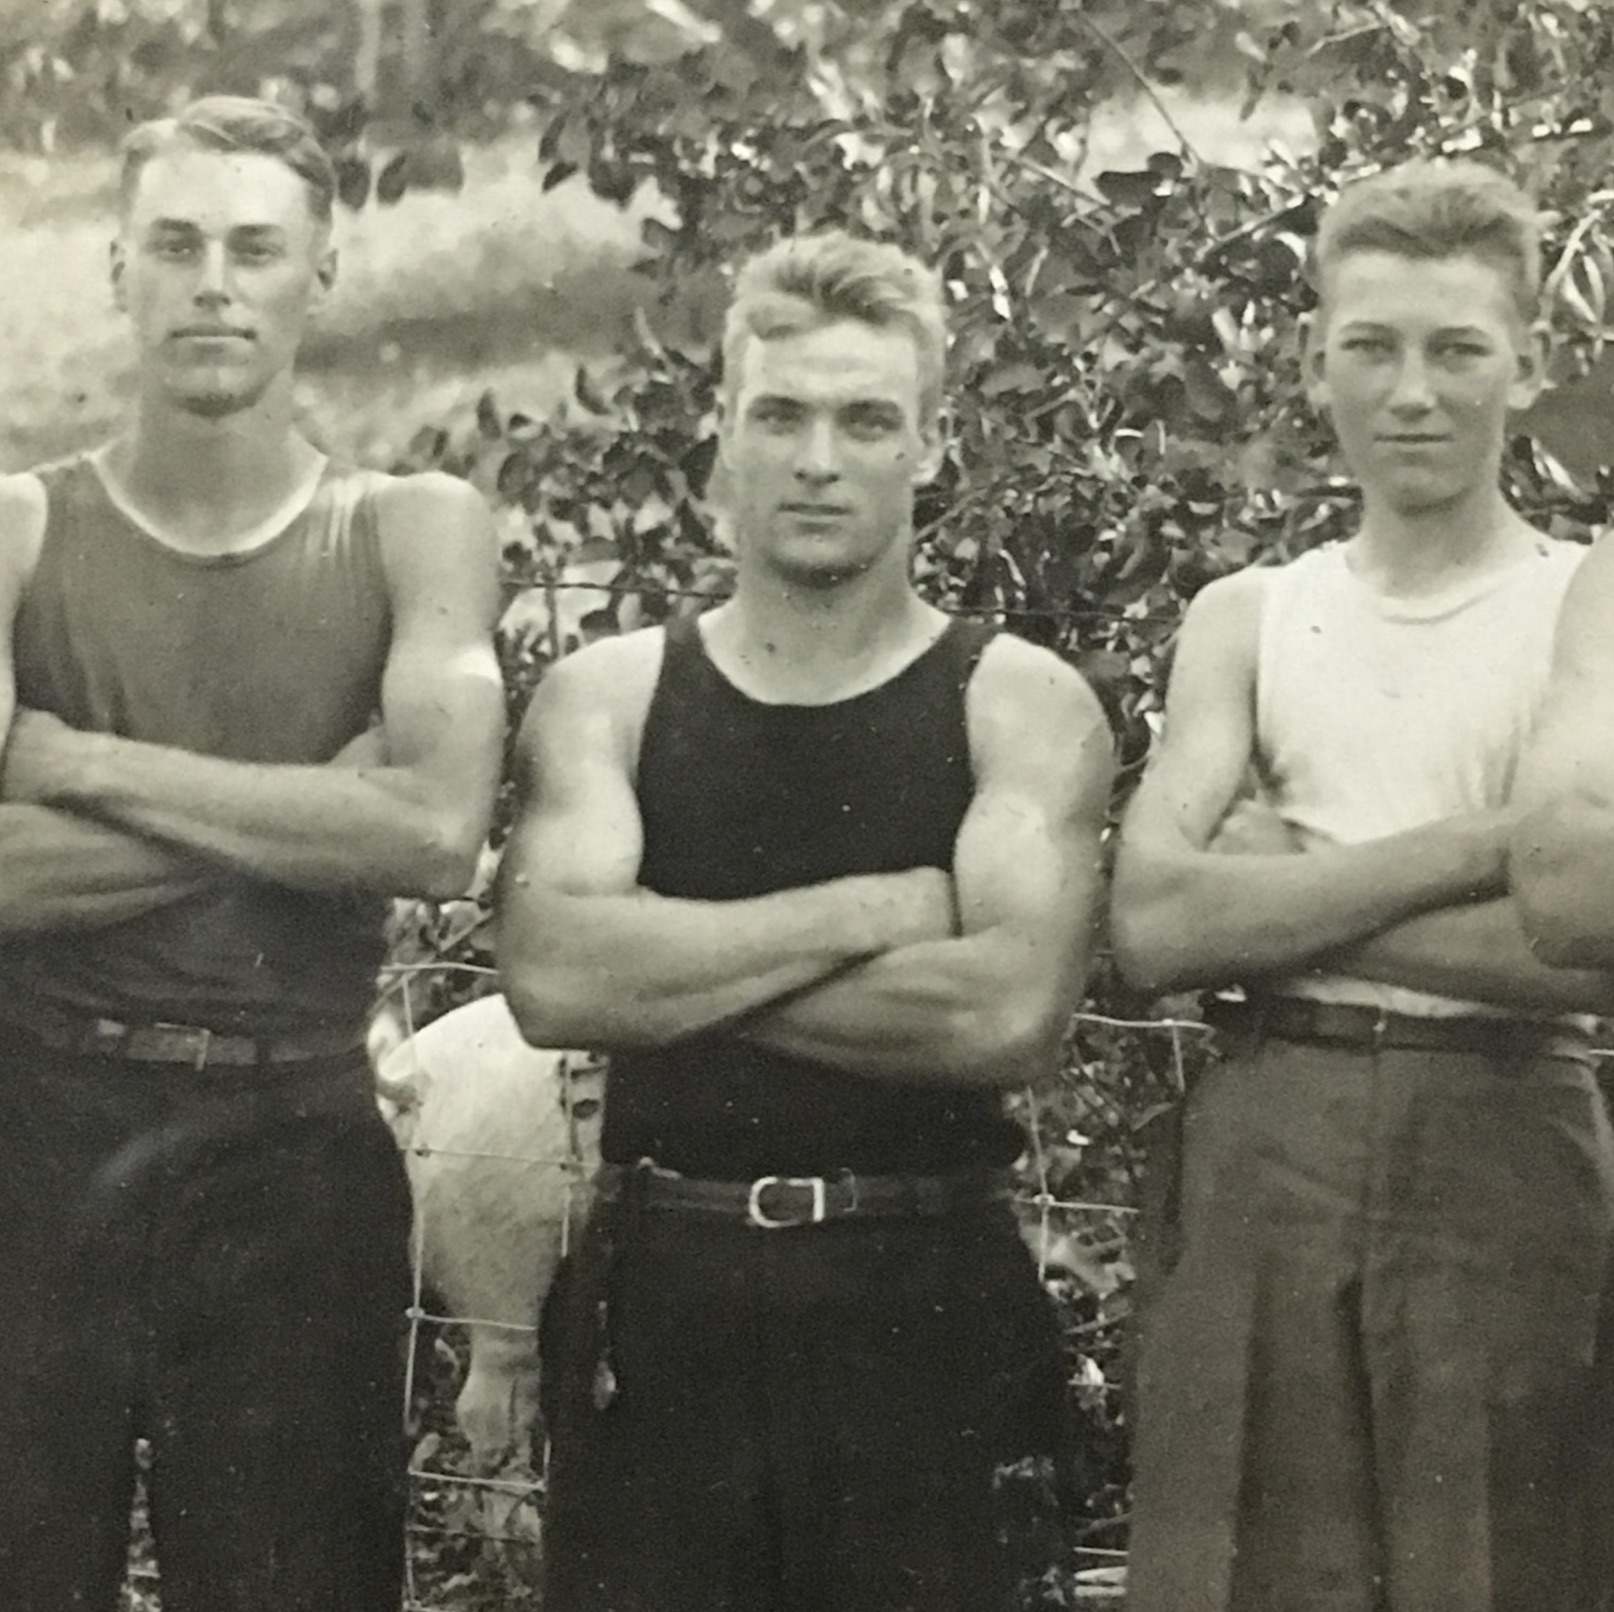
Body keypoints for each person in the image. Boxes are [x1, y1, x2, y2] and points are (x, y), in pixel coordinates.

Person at [495, 229, 1114, 1612]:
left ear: (930, 446)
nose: (817, 458)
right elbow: (548, 977)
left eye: (862, 420)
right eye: (778, 415)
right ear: (721, 438)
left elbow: (999, 1013)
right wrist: (868, 913)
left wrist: (666, 956)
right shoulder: (609, 697)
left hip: (923, 1301)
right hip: (662, 1300)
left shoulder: (1013, 703)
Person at [0, 97, 505, 1612]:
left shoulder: (409, 529)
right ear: (117, 272)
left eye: (253, 247)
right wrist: (309, 811)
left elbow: (429, 829)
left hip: (292, 1139)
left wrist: (75, 766)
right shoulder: (19, 529)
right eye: (176, 244)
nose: (213, 280)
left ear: (321, 275)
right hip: (35, 1129)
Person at [1110, 159, 1614, 1612]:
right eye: (1371, 348)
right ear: (1312, 362)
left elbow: (1581, 942)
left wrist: (1293, 899)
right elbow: (1152, 922)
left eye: (1458, 350)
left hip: (1505, 1138)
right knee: (1243, 1571)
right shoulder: (1249, 617)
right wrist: (1476, 847)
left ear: (1527, 369)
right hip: (1270, 1138)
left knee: (1505, 1570)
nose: (1413, 392)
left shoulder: (1583, 597)